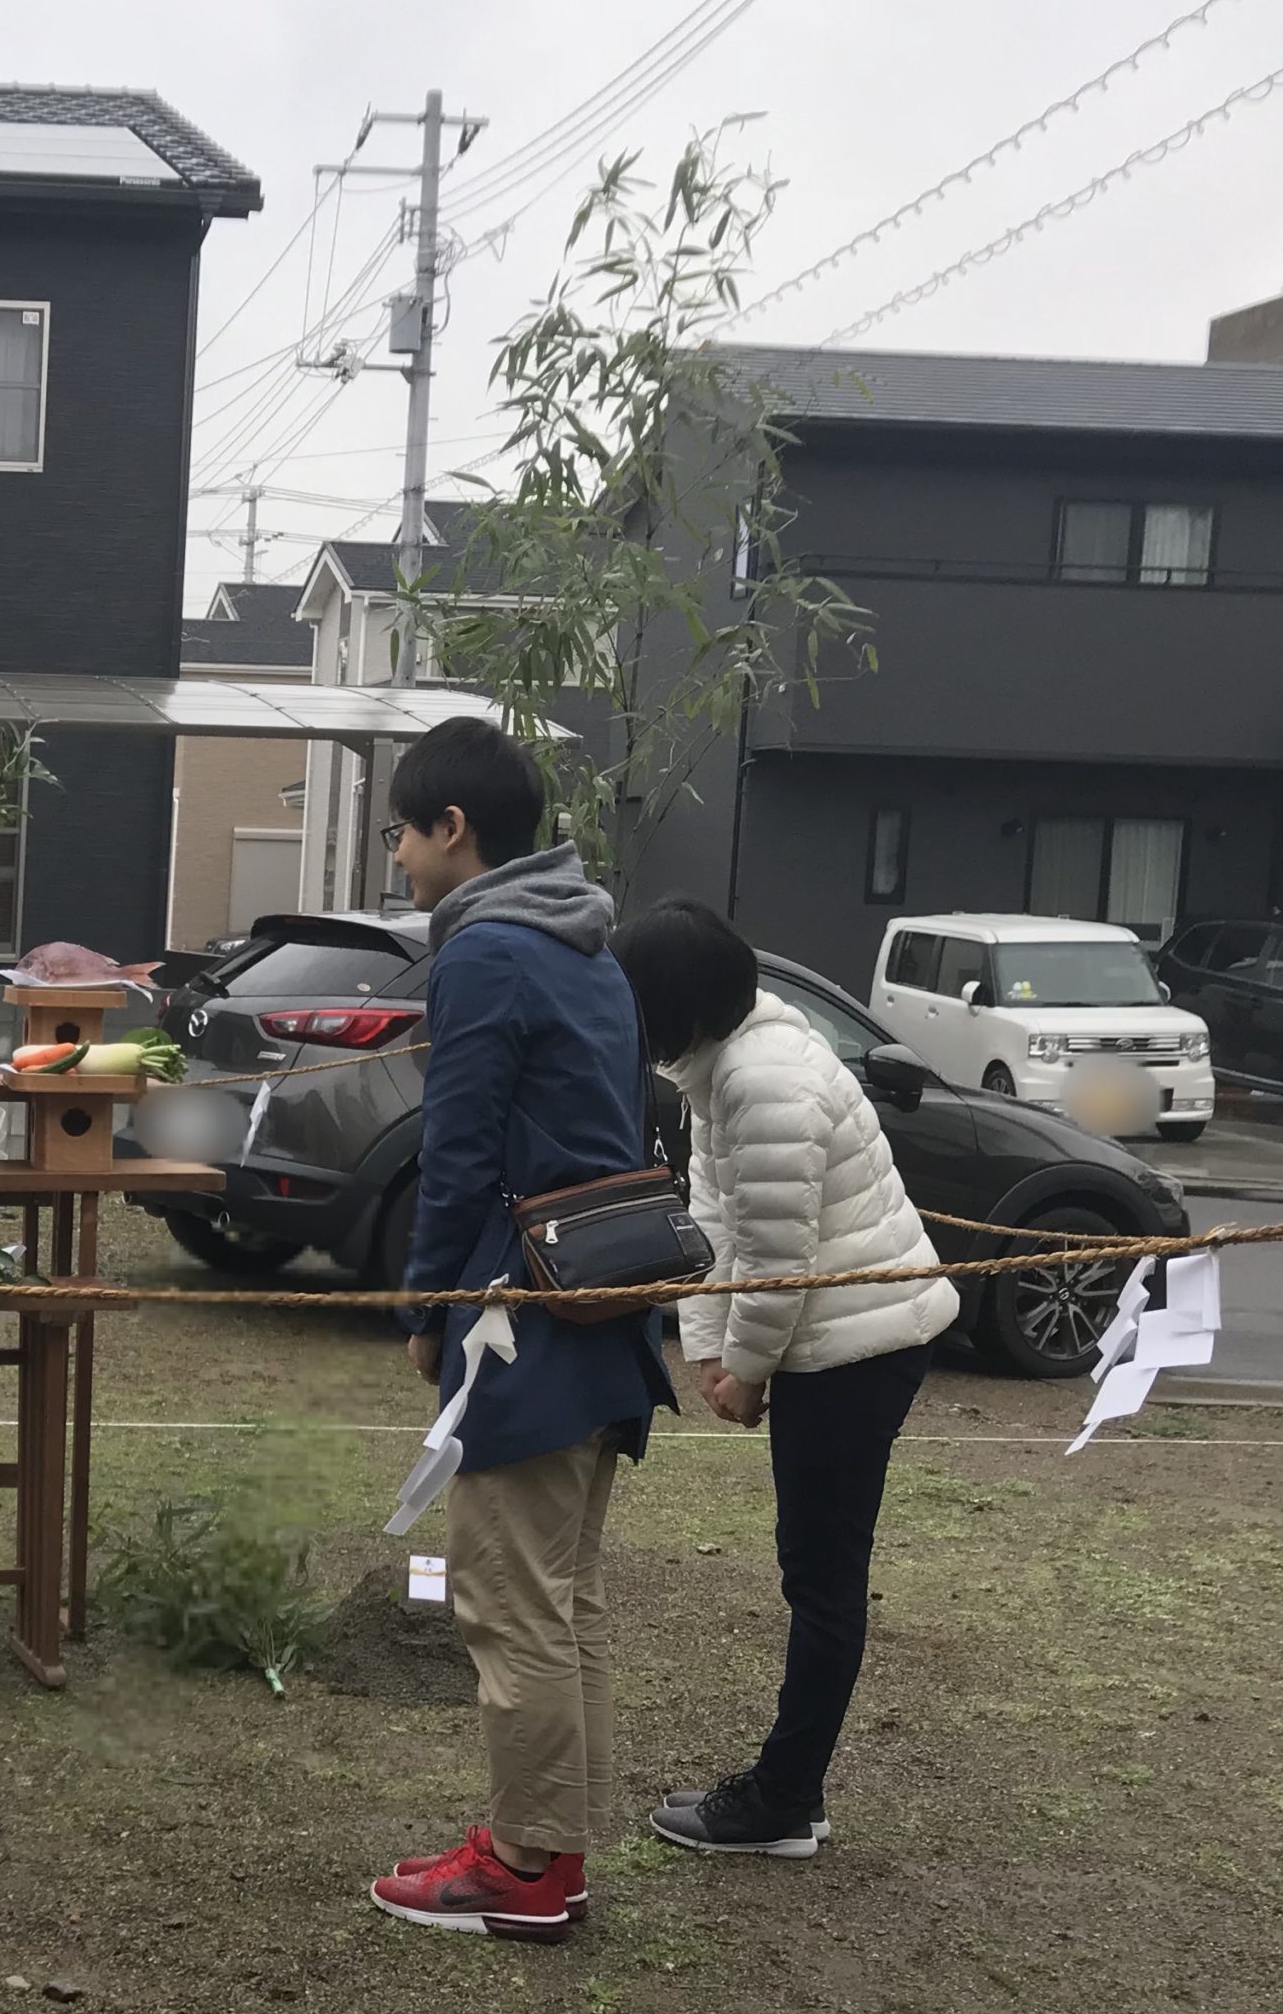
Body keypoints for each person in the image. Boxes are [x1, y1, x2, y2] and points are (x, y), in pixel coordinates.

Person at [368, 720, 672, 1944]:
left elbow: (459, 1149)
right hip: (605, 1297)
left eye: (400, 829)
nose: (395, 853)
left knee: (505, 1600)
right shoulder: (588, 945)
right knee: (562, 1598)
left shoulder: (488, 949)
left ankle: (524, 1868)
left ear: (454, 831)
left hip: (520, 1313)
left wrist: (426, 1307)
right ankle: (547, 1847)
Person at [612, 896, 957, 1859]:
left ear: (674, 1010)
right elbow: (715, 1213)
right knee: (814, 1567)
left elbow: (779, 1260)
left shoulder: (766, 1081)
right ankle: (786, 1792)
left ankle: (785, 1801)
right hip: (834, 1331)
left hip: (859, 1346)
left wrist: (747, 1371)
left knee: (822, 1576)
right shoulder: (726, 1063)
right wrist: (709, 1347)